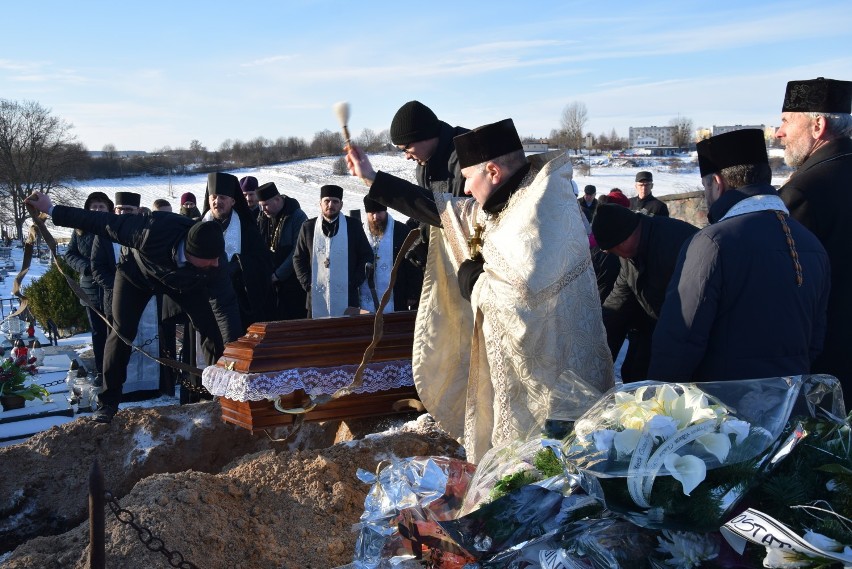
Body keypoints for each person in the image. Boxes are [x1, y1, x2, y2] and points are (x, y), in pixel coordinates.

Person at [347, 118, 614, 462]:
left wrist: (473, 280)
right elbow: (446, 211)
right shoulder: (513, 199)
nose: (467, 190)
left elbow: (520, 297)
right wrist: (373, 179)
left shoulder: (539, 212)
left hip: (554, 378)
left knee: (552, 464)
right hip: (546, 371)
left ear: (492, 172)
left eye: (470, 179)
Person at [26, 190, 242, 424]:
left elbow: (226, 307)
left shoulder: (213, 262)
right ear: (190, 252)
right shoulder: (149, 231)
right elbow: (101, 221)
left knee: (211, 328)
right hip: (135, 276)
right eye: (210, 259)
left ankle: (221, 394)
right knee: (122, 333)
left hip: (185, 282)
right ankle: (108, 403)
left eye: (217, 258)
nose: (216, 263)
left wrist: (235, 355)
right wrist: (51, 209)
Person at [649, 128, 830, 381]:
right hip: (789, 406)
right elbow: (815, 341)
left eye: (705, 186)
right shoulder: (812, 244)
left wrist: (658, 399)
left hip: (723, 410)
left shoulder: (712, 242)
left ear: (717, 183)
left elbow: (681, 338)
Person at [776, 77, 852, 400]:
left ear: (817, 125)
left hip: (830, 375)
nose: (778, 133)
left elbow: (790, 295)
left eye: (786, 122)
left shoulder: (802, 193)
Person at [592, 204, 698, 381]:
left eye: (613, 249)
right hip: (651, 329)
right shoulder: (629, 253)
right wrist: (597, 355)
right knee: (633, 375)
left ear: (624, 239)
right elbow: (618, 302)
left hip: (686, 339)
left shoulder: (677, 243)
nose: (614, 255)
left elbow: (691, 311)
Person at [200, 172, 272, 328]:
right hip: (205, 301)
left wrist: (239, 265)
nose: (217, 202)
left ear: (233, 201)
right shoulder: (198, 230)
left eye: (222, 198)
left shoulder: (247, 229)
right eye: (213, 197)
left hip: (238, 300)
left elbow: (262, 263)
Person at [293, 185, 372, 318]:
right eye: (327, 201)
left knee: (347, 334)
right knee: (317, 335)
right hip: (316, 297)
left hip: (347, 296)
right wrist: (307, 284)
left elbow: (367, 256)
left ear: (341, 205)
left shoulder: (353, 226)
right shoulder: (308, 227)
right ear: (320, 203)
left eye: (335, 201)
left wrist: (354, 281)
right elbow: (298, 258)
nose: (331, 205)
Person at [64, 191, 114, 385]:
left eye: (101, 206)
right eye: (93, 206)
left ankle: (117, 370)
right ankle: (102, 372)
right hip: (90, 289)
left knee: (115, 332)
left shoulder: (114, 227)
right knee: (98, 332)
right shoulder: (80, 230)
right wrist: (86, 267)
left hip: (112, 287)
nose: (97, 209)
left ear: (108, 208)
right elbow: (69, 255)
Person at [359, 196, 422, 312]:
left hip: (396, 293)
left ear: (385, 211)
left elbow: (413, 264)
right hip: (366, 296)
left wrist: (412, 293)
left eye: (379, 212)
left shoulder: (402, 231)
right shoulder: (359, 231)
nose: (376, 217)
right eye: (372, 213)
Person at [256, 181, 308, 320]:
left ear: (278, 199)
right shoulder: (263, 216)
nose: (263, 209)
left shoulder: (297, 216)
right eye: (261, 206)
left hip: (292, 281)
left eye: (266, 205)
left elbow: (298, 251)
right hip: (270, 280)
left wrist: (278, 275)